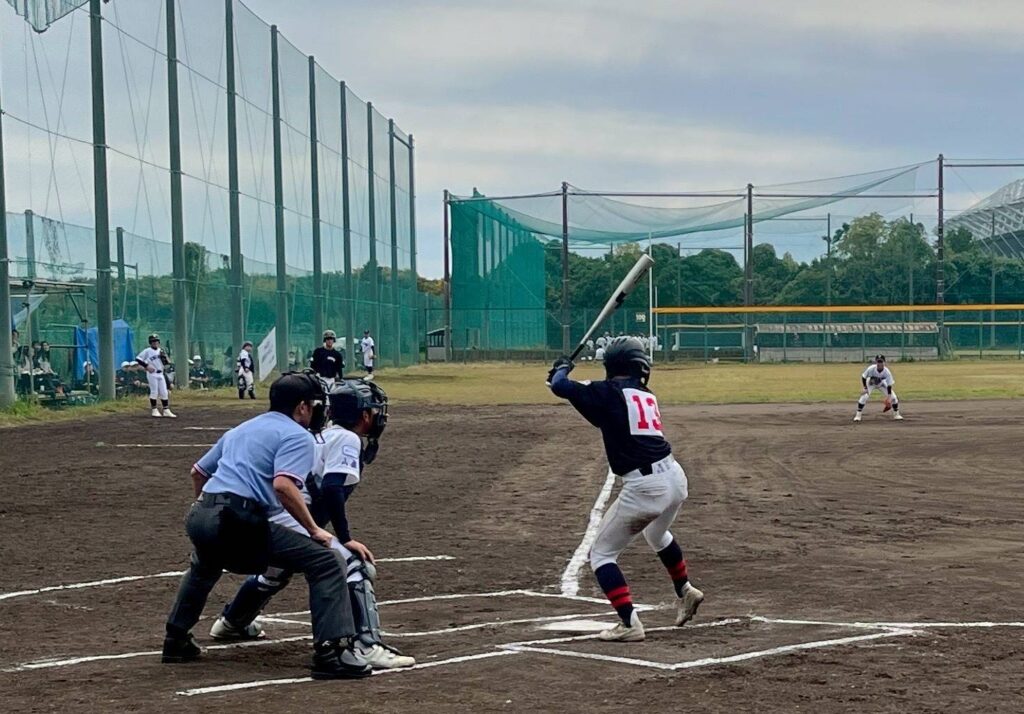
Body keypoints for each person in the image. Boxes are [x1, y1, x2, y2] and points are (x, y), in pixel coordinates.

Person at [163, 371, 372, 679]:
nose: (316, 412)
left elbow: (198, 473)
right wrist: (315, 529)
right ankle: (331, 653)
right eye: (314, 405)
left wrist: (206, 508)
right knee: (326, 561)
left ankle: (175, 639)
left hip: (201, 514)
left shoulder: (241, 429)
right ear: (301, 407)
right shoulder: (297, 435)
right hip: (238, 519)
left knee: (204, 566)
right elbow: (284, 486)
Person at [210, 378, 414, 669]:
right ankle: (367, 644)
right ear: (364, 416)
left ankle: (232, 622)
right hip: (289, 516)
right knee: (354, 565)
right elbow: (332, 488)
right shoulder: (347, 438)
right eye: (374, 410)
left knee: (277, 570)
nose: (378, 416)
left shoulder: (324, 434)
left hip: (273, 515)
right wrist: (344, 538)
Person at [547, 336, 704, 642]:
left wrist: (561, 371)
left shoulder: (607, 393)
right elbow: (585, 402)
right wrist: (560, 379)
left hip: (646, 487)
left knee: (602, 555)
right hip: (674, 476)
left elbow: (563, 388)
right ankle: (685, 590)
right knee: (656, 534)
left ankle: (629, 623)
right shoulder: (643, 393)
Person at [854, 354, 903, 422]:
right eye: (878, 361)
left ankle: (896, 415)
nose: (880, 363)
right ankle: (858, 416)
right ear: (876, 362)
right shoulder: (871, 368)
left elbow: (889, 385)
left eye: (881, 362)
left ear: (884, 362)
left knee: (894, 398)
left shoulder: (887, 372)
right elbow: (863, 377)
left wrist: (889, 398)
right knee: (864, 397)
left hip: (882, 384)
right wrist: (865, 388)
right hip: (871, 383)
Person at [136, 334, 176, 417]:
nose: (155, 343)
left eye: (156, 341)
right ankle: (154, 410)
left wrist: (166, 359)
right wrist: (146, 366)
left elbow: (166, 363)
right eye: (153, 341)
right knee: (154, 391)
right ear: (150, 343)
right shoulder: (147, 351)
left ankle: (166, 410)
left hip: (161, 373)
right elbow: (138, 359)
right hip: (152, 373)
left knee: (164, 392)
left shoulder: (161, 350)